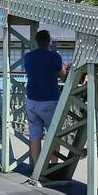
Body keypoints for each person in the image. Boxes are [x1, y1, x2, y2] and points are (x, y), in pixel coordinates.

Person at [22, 29, 68, 169]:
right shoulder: (54, 56)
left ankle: (38, 167)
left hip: (31, 101)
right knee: (54, 135)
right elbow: (63, 75)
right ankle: (53, 166)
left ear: (36, 41)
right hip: (49, 101)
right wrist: (65, 67)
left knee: (35, 135)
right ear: (49, 42)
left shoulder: (28, 56)